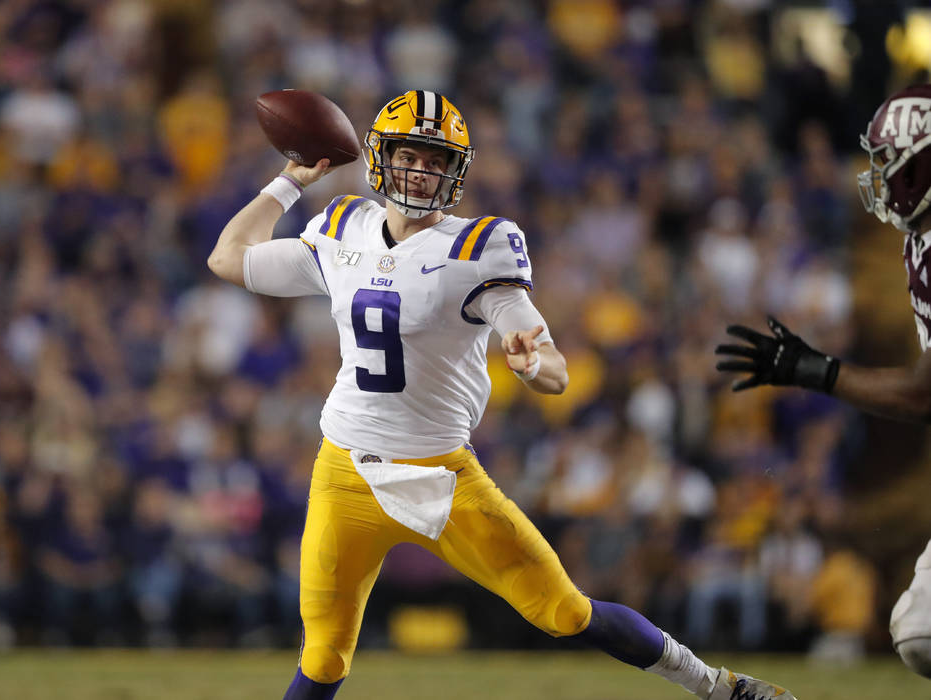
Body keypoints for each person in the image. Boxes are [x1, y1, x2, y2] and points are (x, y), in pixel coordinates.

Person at [210, 90, 797, 700]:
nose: (422, 171)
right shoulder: (341, 226)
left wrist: (531, 361)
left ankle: (719, 687)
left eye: (437, 161)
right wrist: (288, 181)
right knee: (324, 655)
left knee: (564, 611)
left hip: (442, 474)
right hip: (344, 470)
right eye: (411, 154)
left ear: (456, 172)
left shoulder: (477, 248)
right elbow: (228, 258)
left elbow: (555, 368)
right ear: (381, 158)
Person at [716, 83, 931, 678]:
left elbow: (922, 395)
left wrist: (817, 371)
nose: (878, 175)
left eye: (889, 160)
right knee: (921, 633)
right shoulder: (920, 242)